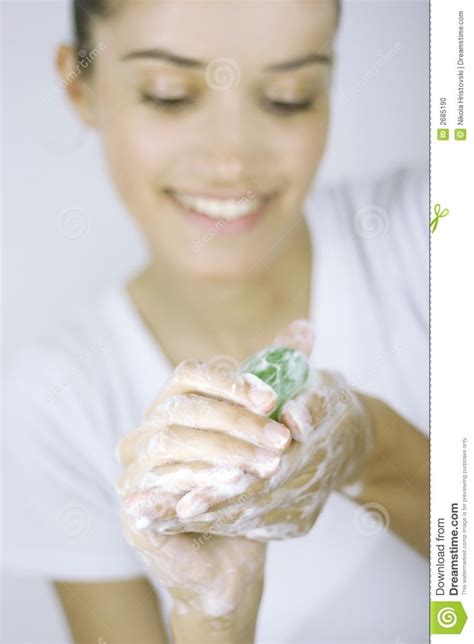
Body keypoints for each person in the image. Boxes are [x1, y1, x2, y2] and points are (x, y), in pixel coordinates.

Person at [3, 0, 429, 642]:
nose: (232, 162)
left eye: (289, 97)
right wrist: (215, 615)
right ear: (79, 83)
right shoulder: (51, 405)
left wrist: (372, 448)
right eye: (169, 96)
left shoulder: (433, 234)